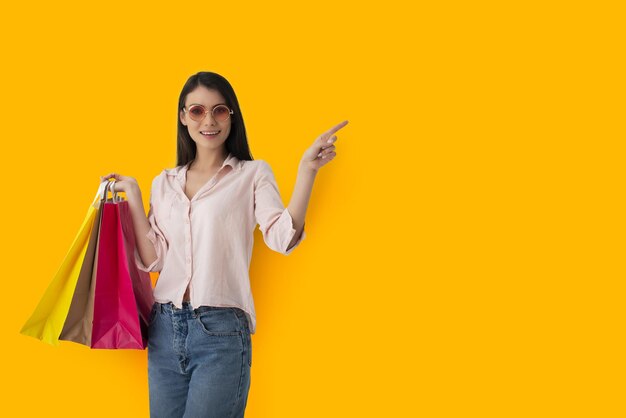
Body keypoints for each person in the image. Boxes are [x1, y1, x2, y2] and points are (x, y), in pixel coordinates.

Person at [99, 71, 348, 417]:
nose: (209, 120)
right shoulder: (164, 183)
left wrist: (307, 170)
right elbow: (154, 259)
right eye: (198, 111)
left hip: (220, 333)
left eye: (219, 110)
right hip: (164, 328)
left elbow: (281, 238)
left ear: (231, 115)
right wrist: (136, 196)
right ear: (183, 117)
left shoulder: (252, 174)